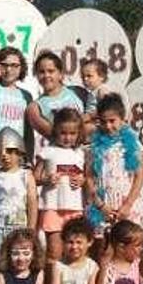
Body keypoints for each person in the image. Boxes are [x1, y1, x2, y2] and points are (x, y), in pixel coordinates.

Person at [85, 93, 143, 242]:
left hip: (127, 205)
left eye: (112, 121)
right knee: (104, 250)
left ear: (122, 119)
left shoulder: (132, 144)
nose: (108, 126)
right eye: (103, 122)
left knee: (129, 247)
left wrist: (127, 205)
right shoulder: (94, 148)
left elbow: (139, 176)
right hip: (104, 206)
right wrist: (101, 206)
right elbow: (89, 177)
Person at [0, 128, 37, 265]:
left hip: (18, 227)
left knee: (16, 263)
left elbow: (32, 203)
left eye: (9, 151)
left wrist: (31, 230)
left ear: (19, 152)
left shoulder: (26, 175)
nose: (4, 155)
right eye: (0, 152)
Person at [34, 108, 85, 267]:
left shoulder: (80, 153)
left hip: (75, 208)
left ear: (78, 133)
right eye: (63, 133)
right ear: (55, 131)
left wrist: (81, 180)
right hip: (52, 207)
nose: (67, 137)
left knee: (76, 252)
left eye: (72, 133)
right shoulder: (47, 151)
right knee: (54, 253)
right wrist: (47, 179)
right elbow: (34, 177)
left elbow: (86, 177)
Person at [26, 51, 86, 145]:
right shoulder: (34, 108)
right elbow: (57, 137)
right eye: (42, 72)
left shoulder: (77, 91)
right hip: (65, 155)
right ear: (36, 75)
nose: (46, 75)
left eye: (51, 71)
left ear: (60, 73)